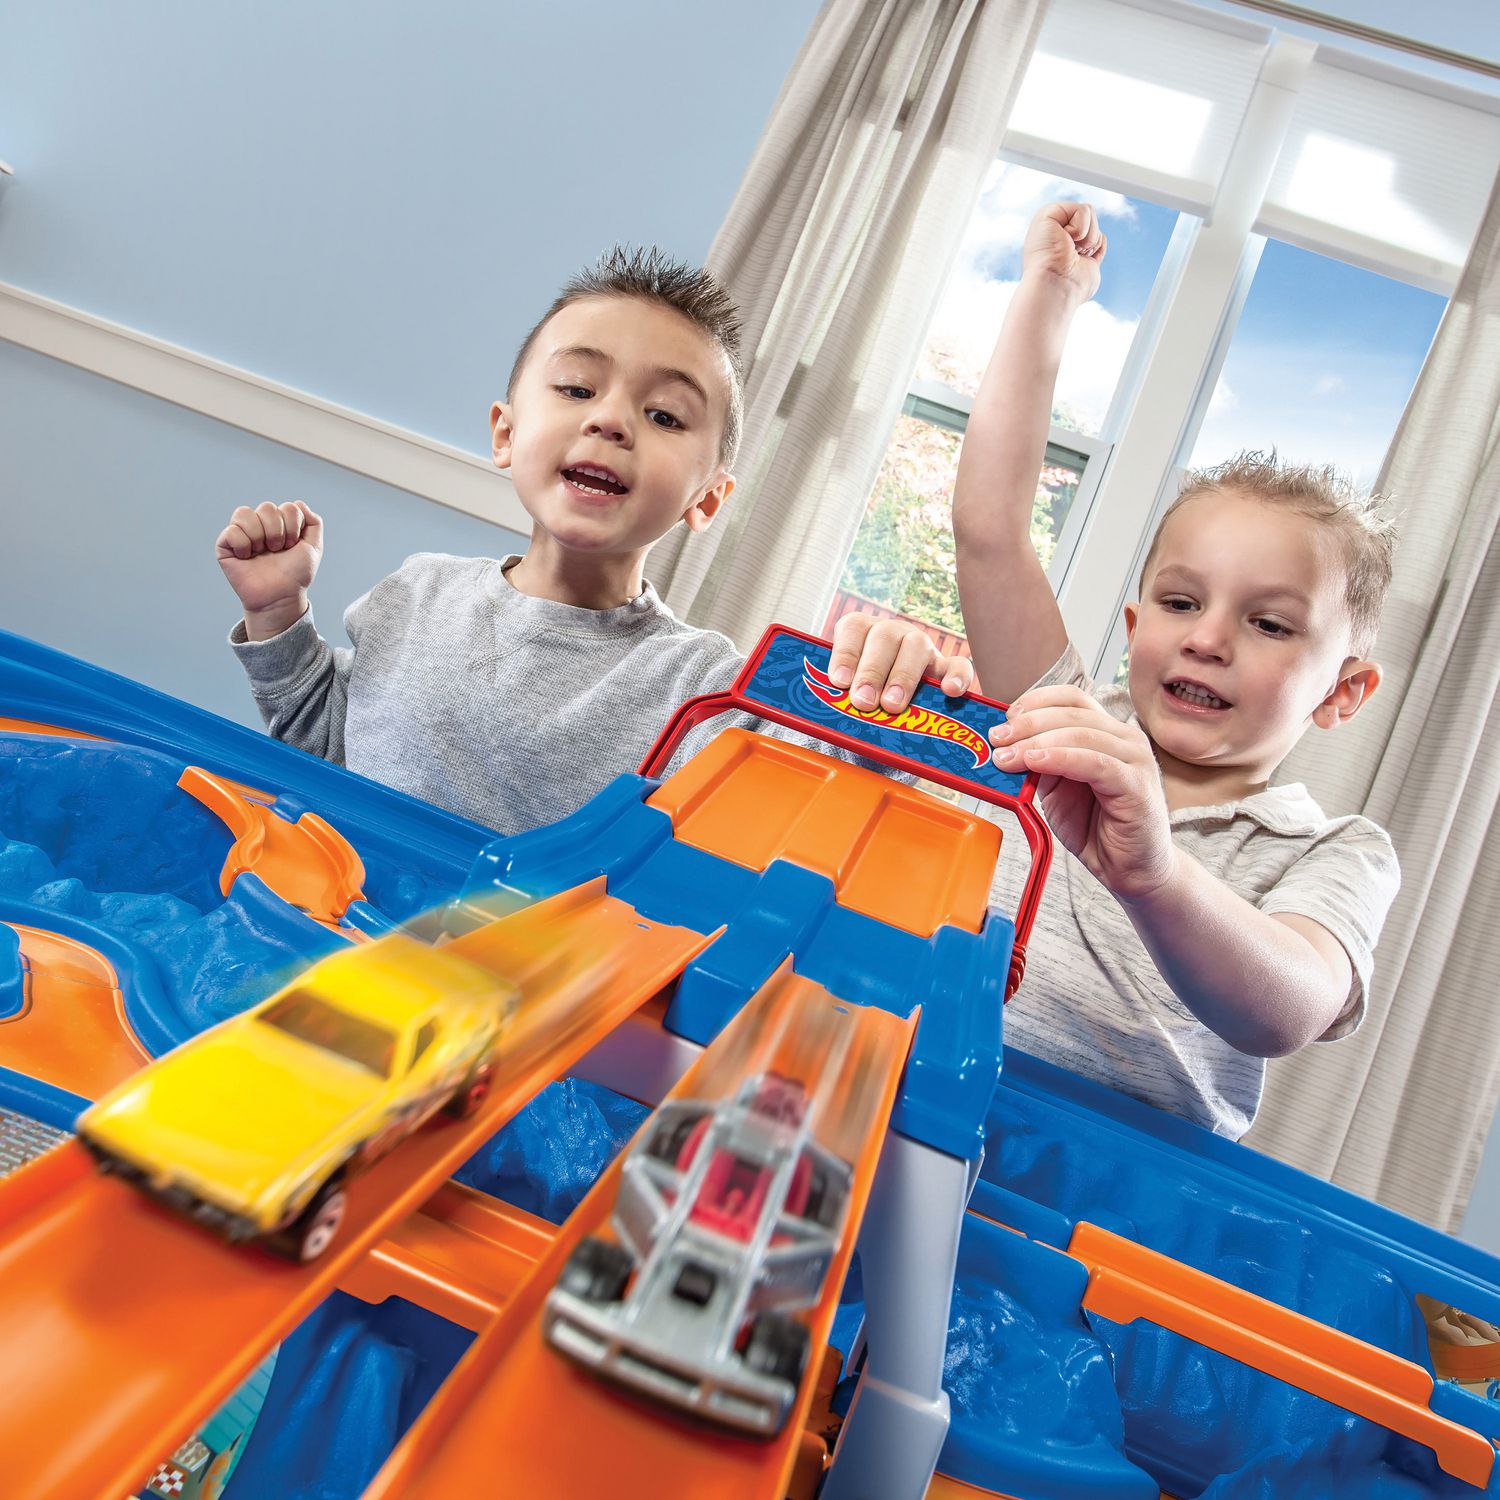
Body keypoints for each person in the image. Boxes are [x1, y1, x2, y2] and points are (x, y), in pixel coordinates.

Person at [216, 247, 971, 837]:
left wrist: (888, 700)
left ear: (708, 498)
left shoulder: (705, 687)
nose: (611, 420)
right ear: (506, 435)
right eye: (578, 388)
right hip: (317, 934)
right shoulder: (417, 591)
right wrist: (279, 610)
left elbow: (817, 800)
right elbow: (326, 748)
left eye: (666, 416)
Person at [952, 202, 1400, 1137]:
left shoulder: (1334, 851)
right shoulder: (1064, 718)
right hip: (919, 1094)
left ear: (1344, 690)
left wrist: (1154, 872)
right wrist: (1049, 296)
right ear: (1134, 627)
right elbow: (992, 529)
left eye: (1269, 623)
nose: (1208, 639)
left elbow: (1292, 1005)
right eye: (1182, 603)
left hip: (1107, 1197)